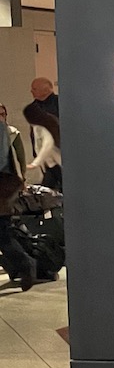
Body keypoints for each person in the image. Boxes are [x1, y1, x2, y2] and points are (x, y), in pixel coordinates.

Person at [0, 103, 36, 291]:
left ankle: (26, 265)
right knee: (3, 234)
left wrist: (22, 181)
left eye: (2, 112)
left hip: (4, 188)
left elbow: (18, 160)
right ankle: (22, 266)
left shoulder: (10, 132)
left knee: (4, 234)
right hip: (5, 188)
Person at [24, 102, 61, 193]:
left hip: (55, 162)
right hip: (50, 163)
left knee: (47, 189)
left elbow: (47, 144)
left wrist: (36, 163)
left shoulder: (42, 126)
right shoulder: (39, 125)